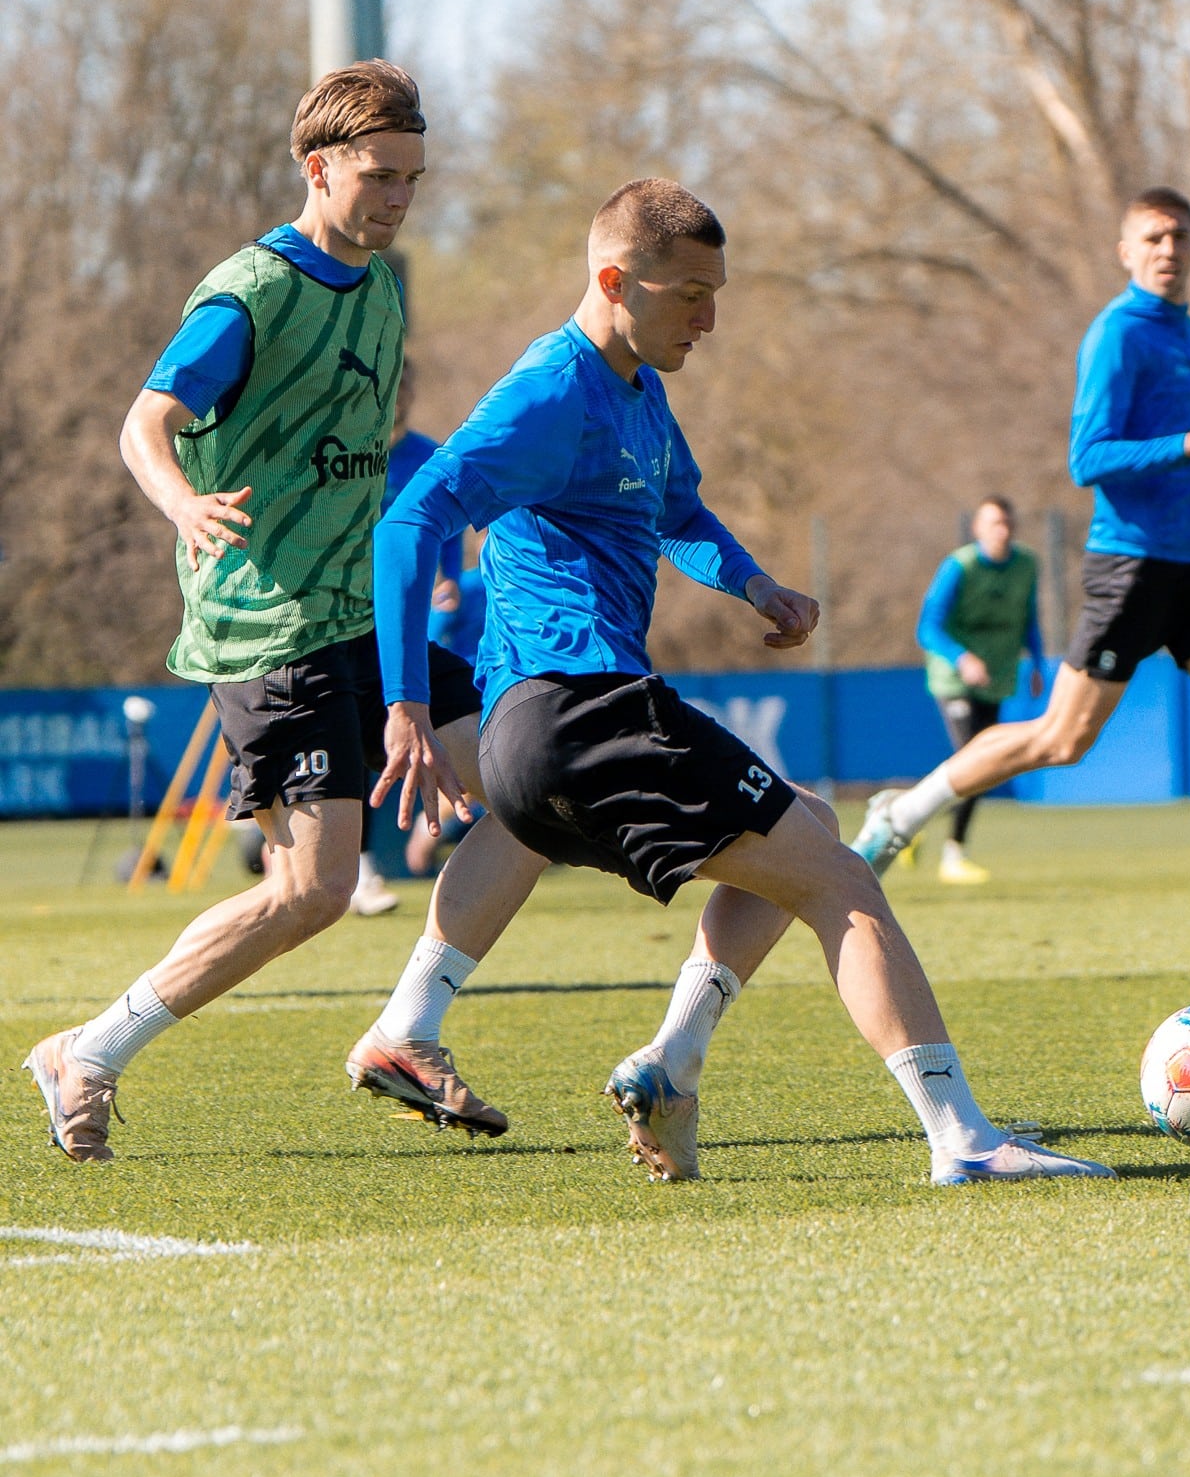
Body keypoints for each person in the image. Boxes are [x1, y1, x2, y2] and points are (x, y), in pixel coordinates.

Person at [357, 177, 1113, 1188]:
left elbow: (678, 517)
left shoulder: (638, 396)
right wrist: (405, 699)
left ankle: (644, 1060)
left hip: (533, 739)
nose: (708, 319)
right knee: (839, 880)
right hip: (587, 709)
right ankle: (961, 1137)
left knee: (789, 827)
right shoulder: (551, 389)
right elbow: (414, 517)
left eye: (718, 292)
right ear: (615, 281)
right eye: (688, 295)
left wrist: (755, 583)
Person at [22, 60, 544, 1162]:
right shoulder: (249, 293)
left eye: (412, 177)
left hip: (362, 616)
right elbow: (144, 423)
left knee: (530, 787)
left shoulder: (385, 285)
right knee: (314, 890)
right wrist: (183, 503)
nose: (398, 199)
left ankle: (407, 1030)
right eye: (378, 176)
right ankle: (92, 1049)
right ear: (318, 167)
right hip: (269, 631)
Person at [852, 187, 1190, 966]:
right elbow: (1088, 458)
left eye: (1179, 235)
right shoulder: (1117, 333)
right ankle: (900, 815)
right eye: (1151, 236)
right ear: (1125, 250)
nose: (1166, 248)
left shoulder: (1181, 326)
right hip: (1134, 565)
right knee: (1061, 739)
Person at [347, 362, 468, 913]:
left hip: (414, 624)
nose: (395, 402)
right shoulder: (346, 454)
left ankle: (439, 832)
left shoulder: (429, 454)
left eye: (404, 389)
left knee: (460, 720)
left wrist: (447, 581)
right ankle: (359, 870)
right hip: (345, 623)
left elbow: (446, 541)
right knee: (351, 740)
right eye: (386, 390)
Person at [912, 496, 1044, 884]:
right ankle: (953, 854)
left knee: (981, 769)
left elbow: (1028, 618)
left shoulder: (1026, 565)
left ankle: (909, 813)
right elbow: (927, 627)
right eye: (993, 523)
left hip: (998, 675)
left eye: (1006, 523)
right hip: (954, 678)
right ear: (978, 528)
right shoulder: (959, 567)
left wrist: (1036, 664)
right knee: (973, 759)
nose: (1001, 531)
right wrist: (962, 658)